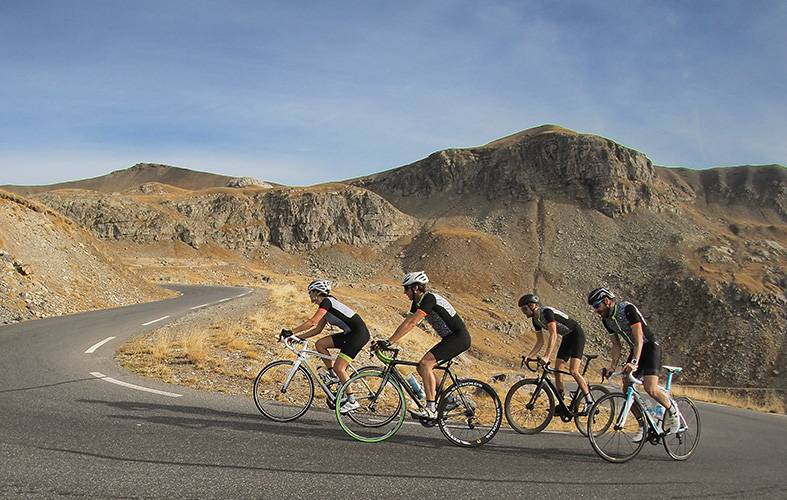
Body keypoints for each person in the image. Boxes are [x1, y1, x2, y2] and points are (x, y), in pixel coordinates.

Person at [374, 271, 471, 420]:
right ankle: (449, 399)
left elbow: (413, 322)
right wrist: (388, 340)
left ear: (416, 288)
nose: (404, 292)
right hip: (450, 338)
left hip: (459, 338)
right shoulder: (417, 302)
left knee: (426, 364)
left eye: (406, 288)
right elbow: (407, 321)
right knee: (421, 367)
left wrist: (390, 341)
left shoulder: (429, 299)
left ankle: (431, 408)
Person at [587, 287, 680, 436]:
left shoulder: (627, 309)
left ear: (606, 301)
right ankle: (643, 425)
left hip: (649, 347)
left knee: (651, 388)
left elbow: (639, 338)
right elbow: (616, 345)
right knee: (626, 389)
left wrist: (634, 362)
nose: (596, 310)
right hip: (635, 349)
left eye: (597, 306)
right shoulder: (606, 321)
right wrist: (612, 367)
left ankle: (672, 411)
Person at [280, 279, 370, 413]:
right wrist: (297, 337)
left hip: (358, 334)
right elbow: (317, 330)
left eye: (310, 292)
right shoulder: (326, 306)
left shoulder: (327, 302)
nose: (310, 296)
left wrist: (291, 332)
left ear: (316, 292)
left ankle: (352, 401)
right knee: (320, 344)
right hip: (350, 334)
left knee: (340, 367)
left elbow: (312, 322)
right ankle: (332, 375)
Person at [518, 293, 594, 413]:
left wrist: (547, 356)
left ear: (533, 306)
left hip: (576, 334)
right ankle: (562, 403)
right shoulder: (535, 320)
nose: (523, 312)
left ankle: (590, 402)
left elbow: (553, 335)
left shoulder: (546, 312)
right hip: (567, 337)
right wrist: (529, 356)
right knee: (558, 370)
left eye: (525, 309)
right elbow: (540, 341)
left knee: (573, 371)